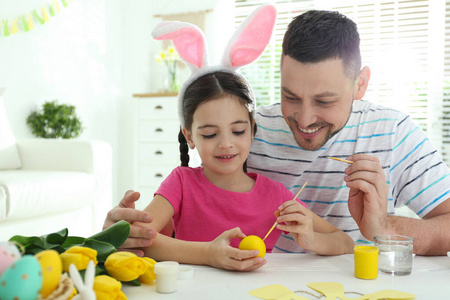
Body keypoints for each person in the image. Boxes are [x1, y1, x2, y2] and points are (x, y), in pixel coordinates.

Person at [105, 9, 450, 256]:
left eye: (325, 100)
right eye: (290, 96)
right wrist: (124, 230)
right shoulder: (247, 129)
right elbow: (177, 216)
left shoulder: (395, 132)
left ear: (360, 84)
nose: (304, 118)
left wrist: (384, 228)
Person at [126, 6, 354, 271]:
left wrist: (311, 239)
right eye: (210, 134)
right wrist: (208, 253)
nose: (226, 144)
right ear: (189, 136)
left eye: (238, 131)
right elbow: (140, 238)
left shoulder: (275, 195)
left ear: (253, 130)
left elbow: (345, 242)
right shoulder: (181, 184)